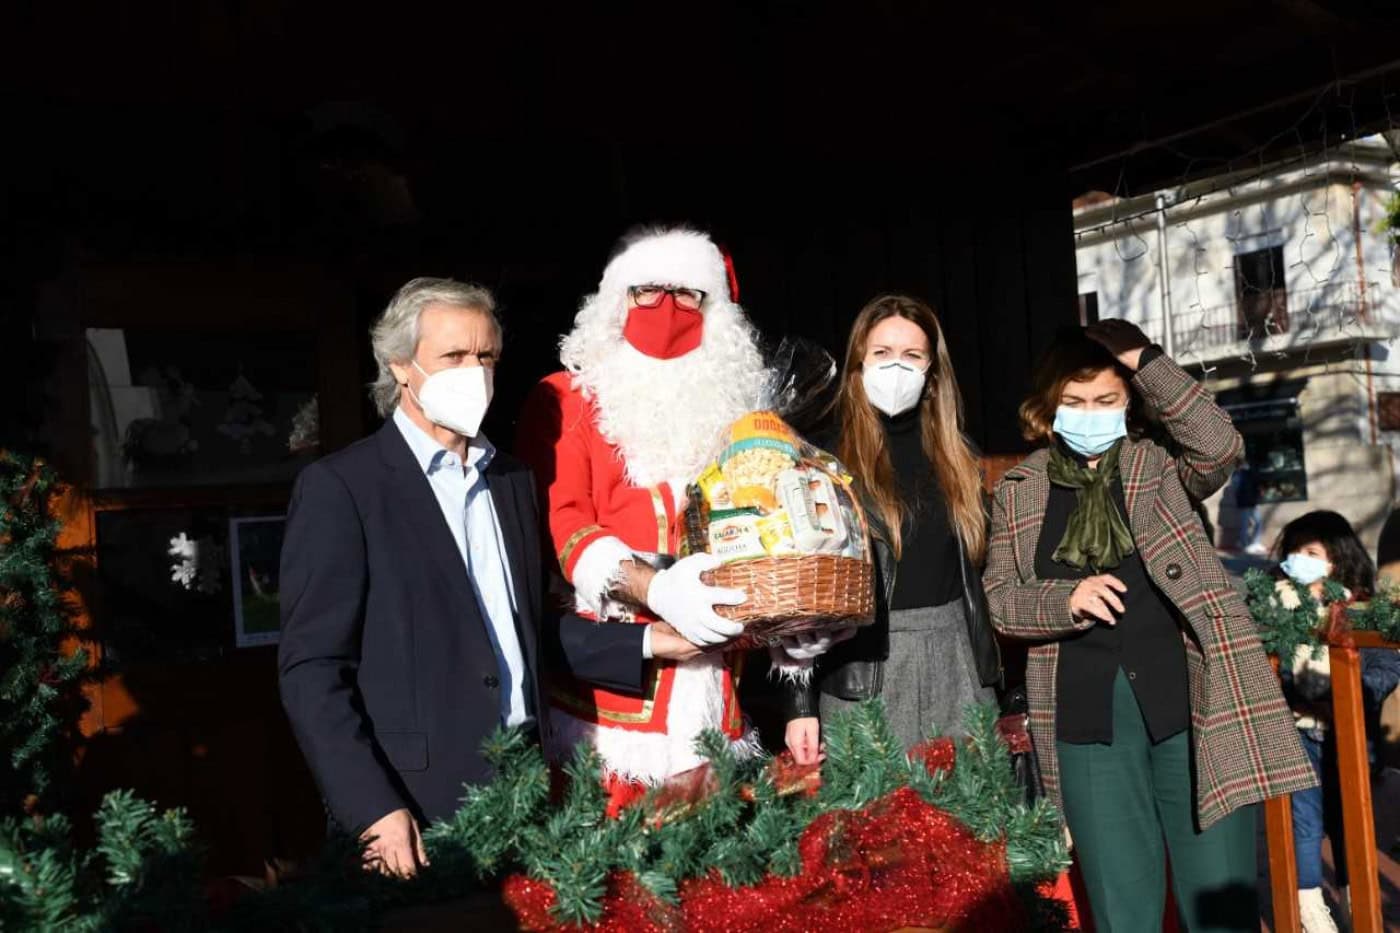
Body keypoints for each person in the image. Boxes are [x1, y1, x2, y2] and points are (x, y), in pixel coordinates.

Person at [278, 277, 697, 878]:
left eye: (486, 357)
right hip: (414, 809)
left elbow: (520, 632)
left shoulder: (512, 482)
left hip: (525, 792)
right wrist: (372, 809)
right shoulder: (343, 489)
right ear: (399, 366)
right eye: (453, 356)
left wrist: (651, 642)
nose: (473, 371)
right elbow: (312, 671)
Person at [982, 320, 1315, 932]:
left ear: (1129, 401)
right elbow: (1001, 599)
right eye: (1074, 403)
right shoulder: (1018, 489)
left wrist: (1143, 358)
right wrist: (1067, 599)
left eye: (1106, 400)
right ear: (1049, 405)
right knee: (1122, 908)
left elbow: (1219, 445)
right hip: (1085, 717)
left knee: (1220, 901)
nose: (1090, 414)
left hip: (1191, 705)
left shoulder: (1157, 465)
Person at [516, 226, 806, 801]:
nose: (666, 311)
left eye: (688, 294)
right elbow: (563, 522)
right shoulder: (567, 400)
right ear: (613, 301)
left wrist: (792, 624)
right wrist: (657, 590)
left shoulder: (744, 418)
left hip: (716, 695)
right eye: (646, 291)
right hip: (611, 711)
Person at [780, 294, 1001, 760]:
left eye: (911, 356)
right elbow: (795, 592)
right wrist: (798, 703)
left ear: (931, 373)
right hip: (865, 668)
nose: (896, 367)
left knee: (971, 822)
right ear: (859, 362)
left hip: (957, 662)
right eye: (882, 353)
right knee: (872, 827)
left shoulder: (959, 457)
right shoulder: (826, 458)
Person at [1274, 510, 1400, 933]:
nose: (1299, 560)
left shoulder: (1360, 606)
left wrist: (1355, 694)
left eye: (1311, 552)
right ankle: (1309, 908)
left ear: (1336, 559)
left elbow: (1384, 664)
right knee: (1304, 822)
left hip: (1349, 734)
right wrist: (1305, 692)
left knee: (1352, 819)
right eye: (1294, 551)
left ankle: (1357, 899)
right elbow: (1273, 669)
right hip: (1298, 733)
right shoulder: (1276, 605)